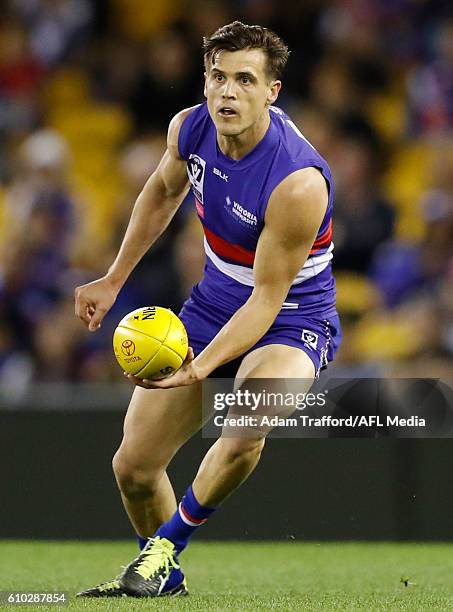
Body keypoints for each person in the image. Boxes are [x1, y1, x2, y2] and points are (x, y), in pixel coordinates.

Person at [75, 21, 341, 598]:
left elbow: (267, 301)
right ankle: (165, 583)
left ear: (272, 91)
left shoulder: (297, 181)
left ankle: (167, 545)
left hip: (293, 320)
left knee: (248, 418)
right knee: (134, 469)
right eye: (218, 76)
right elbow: (163, 191)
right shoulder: (189, 128)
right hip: (211, 305)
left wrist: (202, 367)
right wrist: (114, 278)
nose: (227, 91)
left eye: (245, 79)